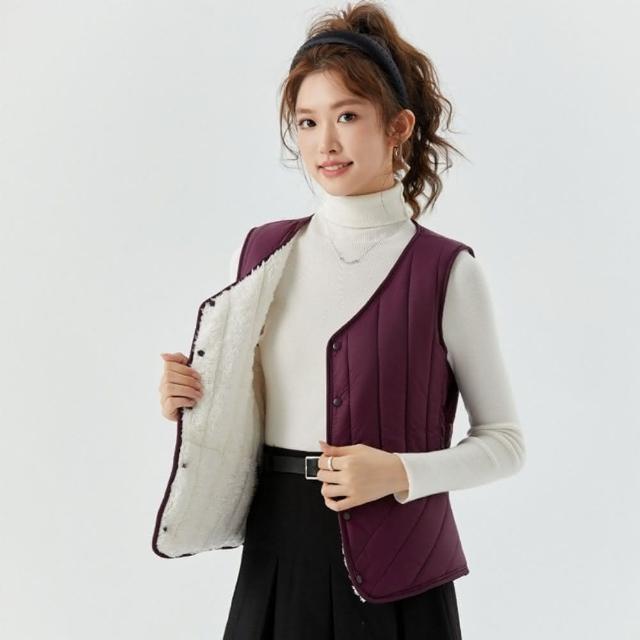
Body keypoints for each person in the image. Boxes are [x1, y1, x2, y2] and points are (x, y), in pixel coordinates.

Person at [156, 2, 526, 638]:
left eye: (347, 116)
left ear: (398, 126)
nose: (324, 142)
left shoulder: (446, 270)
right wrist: (191, 398)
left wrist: (401, 472)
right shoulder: (266, 251)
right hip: (278, 548)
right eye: (307, 122)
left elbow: (505, 443)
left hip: (398, 561)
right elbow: (258, 402)